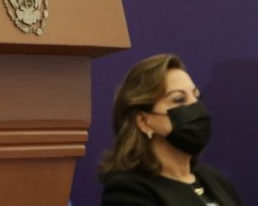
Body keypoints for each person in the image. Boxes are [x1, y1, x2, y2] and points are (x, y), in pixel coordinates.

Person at [99, 54, 242, 205]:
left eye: (197, 97)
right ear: (143, 121)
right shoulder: (128, 191)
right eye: (179, 100)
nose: (196, 107)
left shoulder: (215, 180)